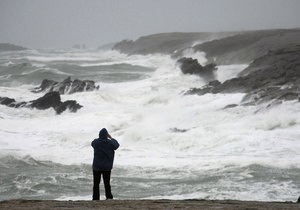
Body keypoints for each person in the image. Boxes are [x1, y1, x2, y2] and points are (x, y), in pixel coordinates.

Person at [91, 128, 120, 200]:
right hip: (107, 167)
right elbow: (117, 145)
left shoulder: (96, 142)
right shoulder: (110, 143)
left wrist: (100, 138)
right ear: (107, 135)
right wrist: (111, 138)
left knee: (96, 183)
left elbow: (92, 143)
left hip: (96, 166)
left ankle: (95, 198)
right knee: (107, 183)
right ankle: (109, 197)